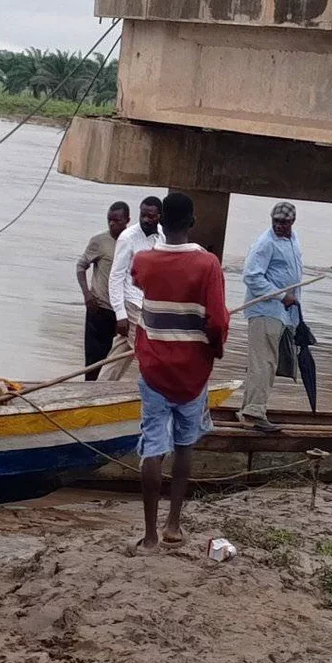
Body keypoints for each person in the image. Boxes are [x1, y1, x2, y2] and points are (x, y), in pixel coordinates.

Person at [131, 192, 229, 552]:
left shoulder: (143, 260)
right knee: (185, 445)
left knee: (153, 446)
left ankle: (150, 537)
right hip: (192, 374)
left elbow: (139, 281)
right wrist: (213, 352)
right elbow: (218, 322)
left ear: (159, 222)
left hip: (154, 369)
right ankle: (174, 525)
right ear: (192, 222)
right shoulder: (208, 265)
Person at [238, 201, 303, 432]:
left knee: (265, 362)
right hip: (265, 311)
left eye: (283, 222)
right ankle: (254, 413)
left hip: (281, 314)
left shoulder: (292, 240)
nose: (278, 226)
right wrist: (281, 296)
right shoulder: (265, 243)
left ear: (292, 222)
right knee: (263, 363)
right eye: (275, 221)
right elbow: (251, 276)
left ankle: (249, 411)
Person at [102, 196, 164, 380]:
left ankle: (101, 386)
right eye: (143, 215)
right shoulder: (127, 238)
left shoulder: (163, 236)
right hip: (132, 303)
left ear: (159, 216)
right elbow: (116, 276)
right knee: (150, 351)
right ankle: (159, 390)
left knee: (122, 350)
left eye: (150, 216)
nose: (145, 220)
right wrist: (120, 314)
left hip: (151, 303)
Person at [76, 202, 130, 380]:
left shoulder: (132, 242)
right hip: (99, 309)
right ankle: (88, 395)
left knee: (113, 361)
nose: (112, 224)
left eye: (117, 220)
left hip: (122, 313)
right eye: (109, 220)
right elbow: (81, 266)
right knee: (93, 360)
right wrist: (87, 295)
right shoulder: (99, 241)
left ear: (127, 221)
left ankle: (105, 394)